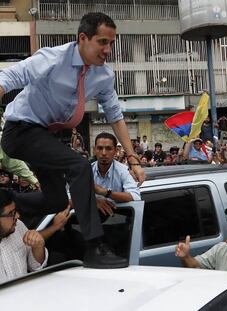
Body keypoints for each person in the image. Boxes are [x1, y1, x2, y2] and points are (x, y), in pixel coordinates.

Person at [0, 12, 145, 268]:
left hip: (46, 135)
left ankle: (6, 199)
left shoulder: (103, 76)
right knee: (78, 165)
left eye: (111, 43)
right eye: (102, 42)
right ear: (83, 38)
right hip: (20, 131)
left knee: (55, 200)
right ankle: (95, 246)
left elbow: (115, 115)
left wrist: (133, 158)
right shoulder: (53, 58)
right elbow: (11, 78)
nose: (107, 50)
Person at [0, 189, 48, 283]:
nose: (17, 216)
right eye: (11, 213)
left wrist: (38, 247)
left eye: (16, 210)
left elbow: (35, 267)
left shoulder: (18, 226)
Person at [91, 132, 141, 216]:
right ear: (94, 150)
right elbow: (71, 200)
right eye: (100, 148)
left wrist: (106, 192)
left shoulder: (123, 171)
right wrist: (94, 202)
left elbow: (135, 197)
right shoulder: (87, 171)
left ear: (115, 151)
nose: (103, 153)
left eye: (108, 148)